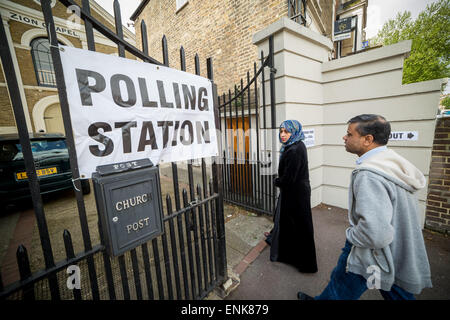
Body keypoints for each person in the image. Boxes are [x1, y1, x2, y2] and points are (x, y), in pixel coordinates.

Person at [298, 114, 432, 300]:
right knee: (392, 288)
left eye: (349, 134)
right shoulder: (389, 161)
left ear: (368, 139)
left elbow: (375, 233)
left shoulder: (369, 175)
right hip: (394, 247)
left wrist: (351, 236)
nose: (344, 138)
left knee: (341, 287)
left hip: (370, 250)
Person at [265, 119, 318, 273]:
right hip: (298, 191)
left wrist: (277, 180)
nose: (282, 135)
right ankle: (290, 253)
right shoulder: (297, 145)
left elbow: (288, 179)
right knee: (295, 224)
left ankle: (304, 263)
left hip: (295, 194)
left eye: (286, 132)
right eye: (281, 131)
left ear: (293, 132)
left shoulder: (293, 150)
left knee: (298, 226)